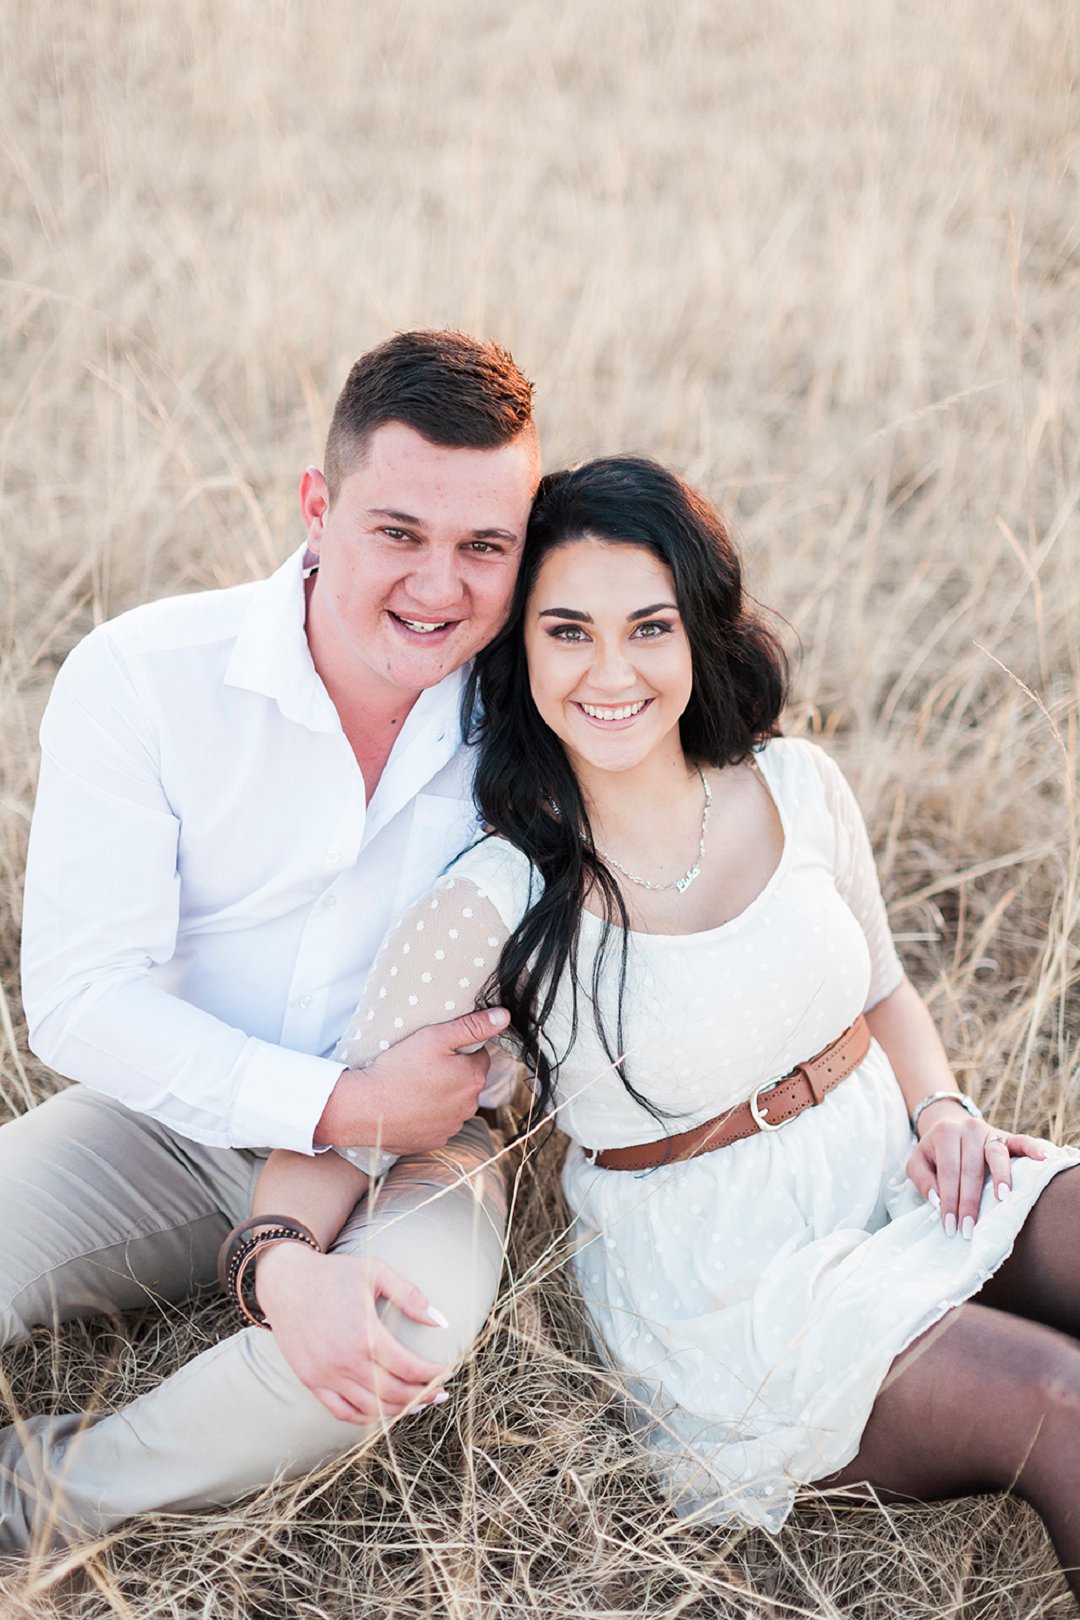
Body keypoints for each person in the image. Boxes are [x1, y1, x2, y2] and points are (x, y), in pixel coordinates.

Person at [246, 456, 1080, 1596]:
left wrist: (940, 1108)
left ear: (698, 632)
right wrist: (280, 1263)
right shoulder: (495, 898)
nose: (611, 672)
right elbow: (348, 1122)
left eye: (649, 627)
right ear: (519, 651)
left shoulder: (796, 783)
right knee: (1060, 1400)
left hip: (897, 1174)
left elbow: (884, 987)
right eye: (568, 632)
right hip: (733, 1292)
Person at [0, 330, 540, 1551]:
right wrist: (341, 1102)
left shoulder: (545, 710)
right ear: (317, 508)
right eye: (397, 533)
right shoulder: (145, 676)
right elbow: (79, 998)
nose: (439, 588)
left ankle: (38, 1495)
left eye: (483, 547)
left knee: (396, 1345)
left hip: (425, 1146)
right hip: (172, 1113)